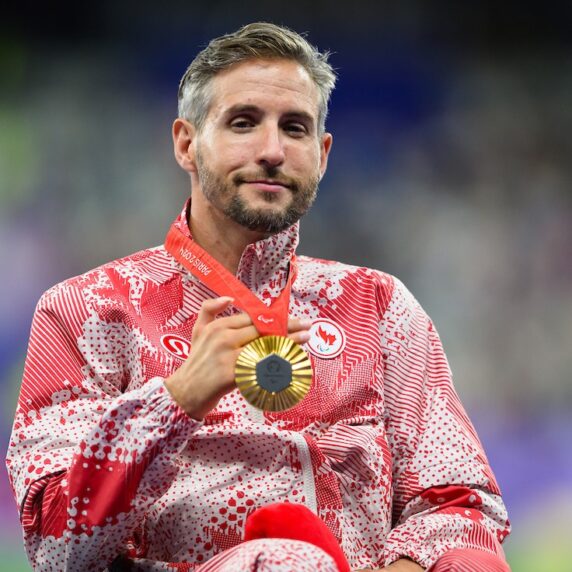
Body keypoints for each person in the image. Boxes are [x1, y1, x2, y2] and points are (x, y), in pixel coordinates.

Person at [6, 22, 511, 572]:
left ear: (322, 155)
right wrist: (175, 400)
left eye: (294, 129)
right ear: (186, 143)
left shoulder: (381, 308)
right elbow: (55, 548)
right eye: (244, 123)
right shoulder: (85, 312)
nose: (272, 151)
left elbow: (464, 508)